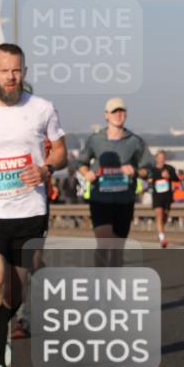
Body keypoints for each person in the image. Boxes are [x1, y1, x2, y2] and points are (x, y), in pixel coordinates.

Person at [0, 44, 67, 367]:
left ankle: (1, 331)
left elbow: (62, 151)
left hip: (30, 213)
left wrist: (47, 168)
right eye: (4, 70)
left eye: (16, 70)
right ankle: (0, 366)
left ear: (24, 71)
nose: (11, 77)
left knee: (14, 292)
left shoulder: (42, 109)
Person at [76, 97, 155, 259]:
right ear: (106, 115)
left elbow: (149, 169)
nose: (118, 115)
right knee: (104, 243)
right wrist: (87, 173)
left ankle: (114, 281)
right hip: (100, 199)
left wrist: (135, 171)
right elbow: (81, 163)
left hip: (124, 199)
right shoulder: (95, 139)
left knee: (118, 249)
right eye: (114, 112)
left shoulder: (135, 141)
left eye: (122, 111)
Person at [149, 150, 179, 248]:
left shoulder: (170, 168)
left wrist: (169, 176)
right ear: (156, 158)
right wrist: (150, 179)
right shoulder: (152, 170)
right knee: (159, 214)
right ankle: (162, 238)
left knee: (165, 216)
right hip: (157, 196)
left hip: (167, 196)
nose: (161, 160)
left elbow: (176, 179)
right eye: (160, 158)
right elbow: (148, 179)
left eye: (163, 158)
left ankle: (160, 231)